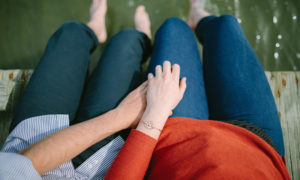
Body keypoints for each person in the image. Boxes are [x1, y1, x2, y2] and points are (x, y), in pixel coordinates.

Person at [0, 0, 290, 179]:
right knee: (217, 25)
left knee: (77, 35)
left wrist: (143, 117)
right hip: (259, 147)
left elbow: (21, 166)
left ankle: (99, 29)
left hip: (165, 144)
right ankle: (195, 17)